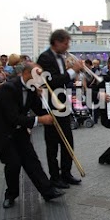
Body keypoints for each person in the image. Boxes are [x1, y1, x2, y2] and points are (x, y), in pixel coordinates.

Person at [0, 63, 65, 208]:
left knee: (32, 159)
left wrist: (45, 103)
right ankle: (10, 195)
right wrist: (40, 120)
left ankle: (48, 191)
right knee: (13, 163)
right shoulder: (8, 88)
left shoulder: (31, 88)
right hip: (2, 132)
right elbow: (13, 117)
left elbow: (38, 109)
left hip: (18, 131)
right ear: (26, 74)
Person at [37, 29, 84, 188]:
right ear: (56, 42)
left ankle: (66, 173)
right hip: (51, 105)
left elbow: (64, 82)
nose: (67, 46)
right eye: (65, 43)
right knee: (52, 144)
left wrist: (75, 73)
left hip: (62, 104)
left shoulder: (61, 57)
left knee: (68, 141)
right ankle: (55, 177)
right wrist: (73, 70)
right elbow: (52, 82)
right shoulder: (45, 57)